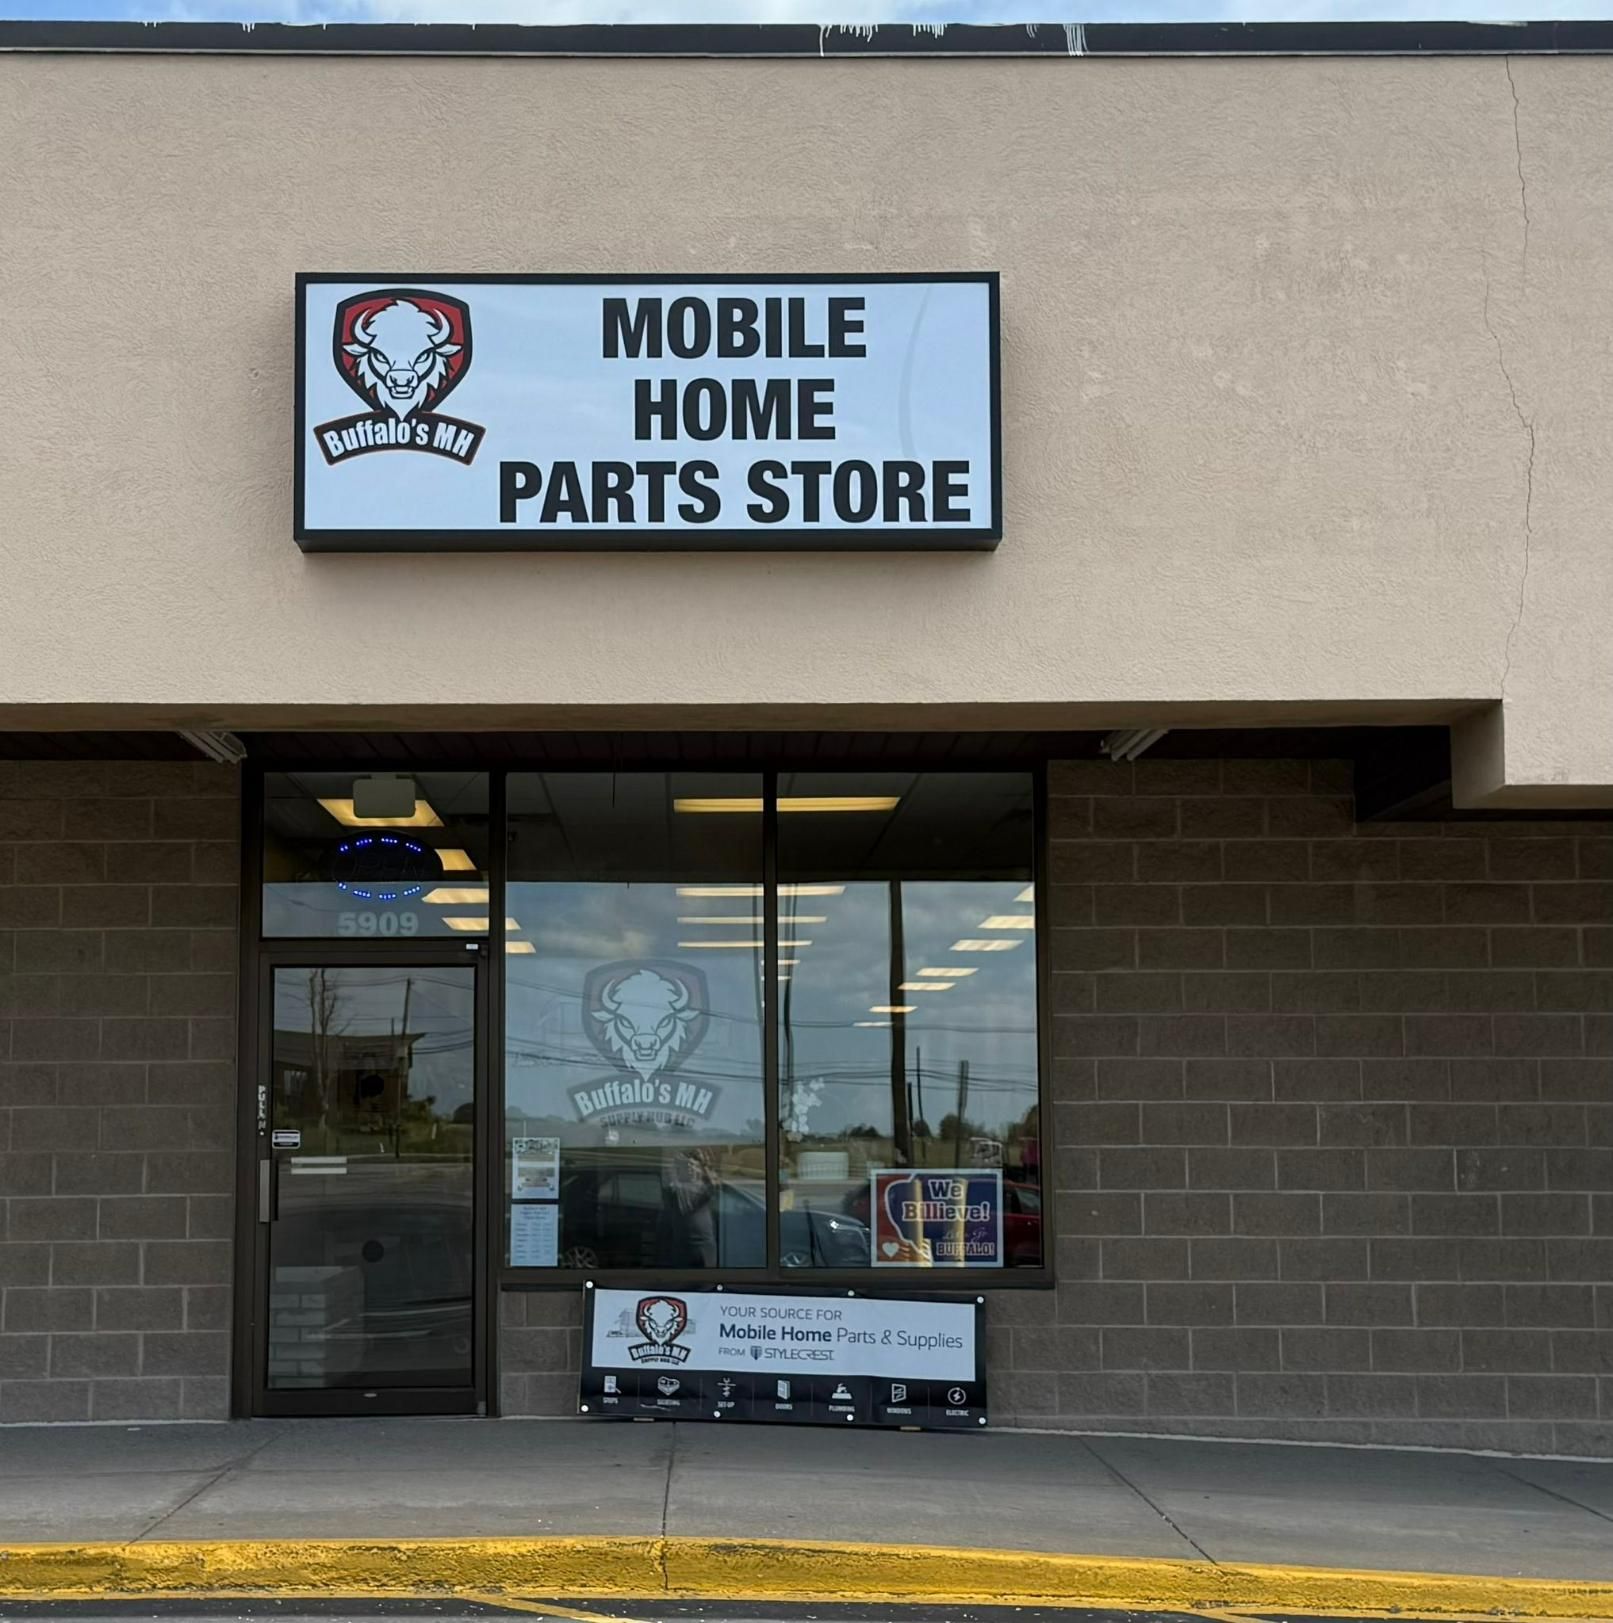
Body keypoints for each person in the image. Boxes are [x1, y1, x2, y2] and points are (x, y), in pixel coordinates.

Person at [657, 1143, 718, 1266]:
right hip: (682, 1245)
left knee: (708, 1279)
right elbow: (668, 1175)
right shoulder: (676, 1189)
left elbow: (714, 1185)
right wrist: (676, 1155)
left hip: (705, 1246)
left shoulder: (704, 1188)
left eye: (693, 1165)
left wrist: (705, 1164)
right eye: (686, 1165)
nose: (690, 1168)